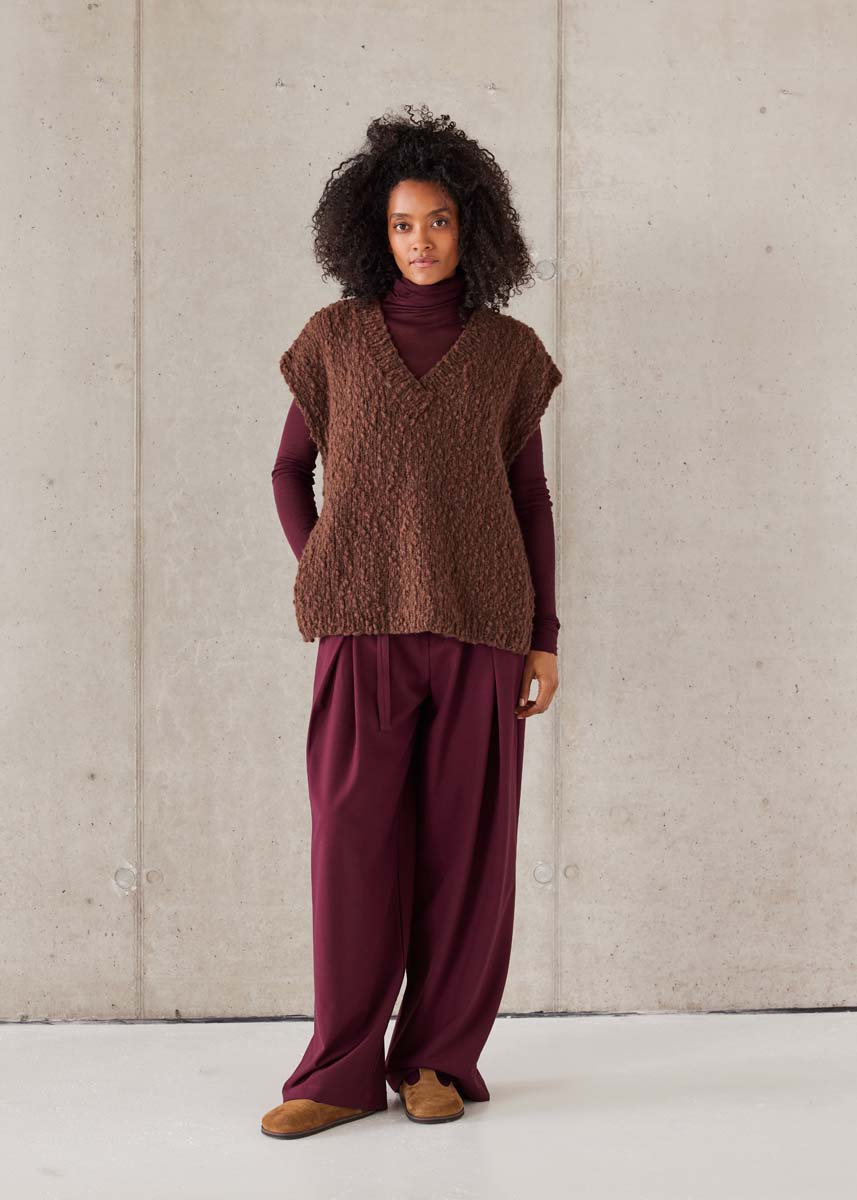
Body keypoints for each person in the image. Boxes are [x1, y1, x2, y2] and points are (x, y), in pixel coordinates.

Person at [261, 104, 562, 1140]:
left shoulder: (508, 352)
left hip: (482, 630)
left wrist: (544, 635)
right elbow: (287, 470)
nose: (421, 240)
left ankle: (435, 1059)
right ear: (372, 232)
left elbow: (529, 498)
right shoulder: (334, 340)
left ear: (471, 227)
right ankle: (338, 1070)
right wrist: (328, 563)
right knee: (351, 852)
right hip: (362, 633)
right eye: (401, 224)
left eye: (438, 220)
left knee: (464, 859)